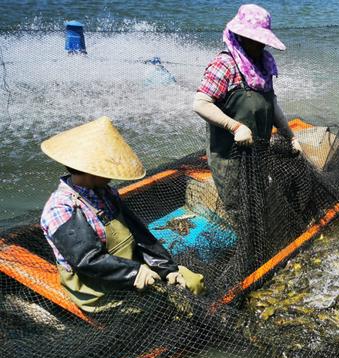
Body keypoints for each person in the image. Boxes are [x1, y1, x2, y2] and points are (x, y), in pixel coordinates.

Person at [40, 116, 205, 313]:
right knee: (163, 308)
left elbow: (139, 234)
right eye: (109, 167)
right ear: (90, 170)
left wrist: (167, 269)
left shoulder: (106, 192)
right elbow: (87, 260)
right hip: (97, 287)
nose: (113, 173)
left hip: (127, 267)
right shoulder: (60, 208)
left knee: (192, 282)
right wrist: (133, 273)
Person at [193, 3, 299, 207]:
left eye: (262, 41)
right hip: (231, 156)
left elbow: (271, 103)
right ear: (240, 36)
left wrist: (290, 136)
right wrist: (236, 127)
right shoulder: (225, 64)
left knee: (258, 196)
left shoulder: (264, 64)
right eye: (255, 40)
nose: (260, 45)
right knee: (238, 204)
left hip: (258, 150)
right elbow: (201, 103)